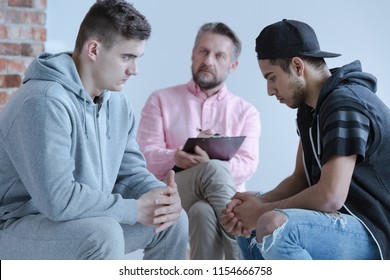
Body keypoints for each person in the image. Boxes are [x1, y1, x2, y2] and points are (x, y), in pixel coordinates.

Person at [0, 0, 188, 260]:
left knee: (171, 222)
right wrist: (133, 210)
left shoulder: (117, 103)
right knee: (102, 234)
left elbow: (130, 174)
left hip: (80, 219)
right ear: (94, 49)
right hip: (15, 225)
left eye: (137, 58)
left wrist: (162, 201)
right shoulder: (43, 101)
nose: (135, 70)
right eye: (127, 57)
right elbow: (59, 199)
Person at [222, 19, 390, 260]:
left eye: (272, 77)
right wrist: (256, 202)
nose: (269, 90)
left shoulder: (345, 104)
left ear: (298, 66)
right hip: (347, 222)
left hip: (378, 230)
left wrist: (261, 210)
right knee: (249, 229)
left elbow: (331, 196)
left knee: (273, 226)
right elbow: (300, 179)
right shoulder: (310, 110)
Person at [136, 22, 261, 259]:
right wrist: (176, 156)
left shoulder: (247, 112)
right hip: (172, 192)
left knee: (203, 211)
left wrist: (210, 160)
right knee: (213, 169)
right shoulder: (160, 100)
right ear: (193, 54)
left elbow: (248, 164)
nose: (208, 61)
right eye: (203, 51)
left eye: (219, 55)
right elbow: (144, 156)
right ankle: (245, 259)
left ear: (232, 65)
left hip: (219, 201)